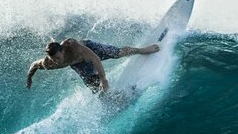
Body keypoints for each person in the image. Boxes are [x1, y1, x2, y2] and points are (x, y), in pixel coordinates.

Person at [26, 38, 160, 93]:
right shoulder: (49, 63)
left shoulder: (72, 46)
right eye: (53, 59)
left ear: (62, 50)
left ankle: (142, 50)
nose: (56, 61)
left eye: (57, 58)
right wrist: (29, 78)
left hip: (90, 50)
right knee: (95, 89)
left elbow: (95, 59)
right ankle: (113, 98)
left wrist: (104, 79)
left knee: (116, 53)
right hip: (78, 65)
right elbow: (34, 65)